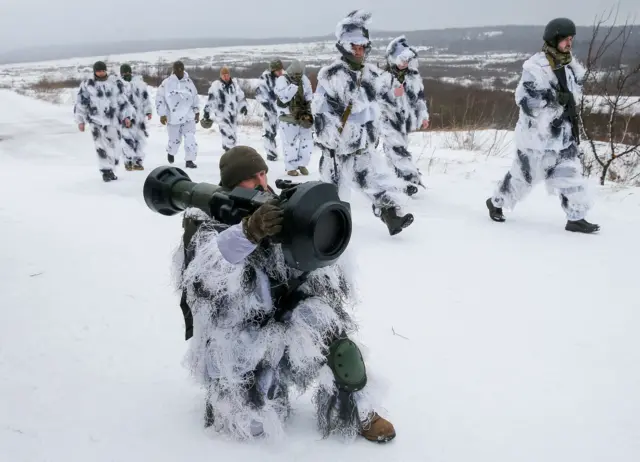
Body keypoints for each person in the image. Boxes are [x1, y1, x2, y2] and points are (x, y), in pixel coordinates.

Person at [173, 145, 396, 443]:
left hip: (282, 318)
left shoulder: (275, 211)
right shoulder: (207, 225)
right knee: (252, 427)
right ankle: (226, 397)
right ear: (232, 184)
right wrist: (248, 233)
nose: (262, 182)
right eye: (251, 178)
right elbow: (205, 282)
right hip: (235, 337)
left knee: (336, 340)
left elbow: (317, 274)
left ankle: (361, 411)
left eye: (263, 173)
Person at [486, 18, 600, 233]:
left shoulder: (568, 66)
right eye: (565, 39)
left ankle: (576, 217)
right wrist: (555, 97)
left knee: (570, 175)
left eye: (571, 39)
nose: (569, 43)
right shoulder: (534, 67)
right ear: (553, 38)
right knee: (523, 178)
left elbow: (572, 98)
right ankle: (496, 202)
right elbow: (527, 101)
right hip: (536, 138)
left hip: (563, 136)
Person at [312, 10, 414, 236]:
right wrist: (329, 139)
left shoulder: (371, 74)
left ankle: (392, 217)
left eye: (362, 47)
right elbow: (320, 112)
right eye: (354, 47)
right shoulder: (332, 76)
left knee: (371, 179)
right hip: (337, 149)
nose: (359, 51)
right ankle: (324, 229)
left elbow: (385, 97)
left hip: (362, 145)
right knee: (331, 192)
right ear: (344, 46)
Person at [377, 36, 430, 196]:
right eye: (401, 60)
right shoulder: (383, 76)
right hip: (387, 120)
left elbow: (419, 99)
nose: (404, 64)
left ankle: (396, 180)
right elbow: (375, 99)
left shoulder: (413, 77)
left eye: (407, 60)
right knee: (396, 150)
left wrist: (424, 116)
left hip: (404, 122)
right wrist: (393, 94)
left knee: (398, 150)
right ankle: (408, 179)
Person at [74, 61, 133, 182]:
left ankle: (111, 167)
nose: (101, 73)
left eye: (102, 70)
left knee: (115, 146)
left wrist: (126, 117)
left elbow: (123, 101)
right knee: (101, 147)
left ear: (106, 70)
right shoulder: (88, 85)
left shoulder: (115, 83)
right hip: (96, 121)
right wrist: (80, 120)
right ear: (95, 71)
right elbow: (81, 103)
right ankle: (106, 171)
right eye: (98, 71)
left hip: (112, 120)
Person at [155, 61, 200, 168]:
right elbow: (159, 99)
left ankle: (189, 160)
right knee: (175, 141)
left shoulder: (189, 82)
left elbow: (195, 97)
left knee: (190, 138)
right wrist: (162, 114)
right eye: (177, 69)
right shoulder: (167, 83)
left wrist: (197, 111)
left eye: (181, 69)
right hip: (173, 117)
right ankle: (171, 152)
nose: (179, 71)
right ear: (174, 70)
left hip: (188, 116)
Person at [274, 59, 314, 176]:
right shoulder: (282, 80)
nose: (297, 76)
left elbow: (308, 95)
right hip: (288, 117)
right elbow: (284, 97)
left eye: (299, 74)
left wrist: (308, 110)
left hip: (302, 115)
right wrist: (294, 86)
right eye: (296, 74)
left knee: (307, 141)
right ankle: (291, 167)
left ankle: (302, 164)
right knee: (290, 143)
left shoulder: (303, 79)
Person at [202, 66, 248, 153]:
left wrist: (243, 107)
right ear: (221, 76)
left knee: (233, 135)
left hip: (233, 115)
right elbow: (211, 101)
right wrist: (207, 112)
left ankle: (228, 150)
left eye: (227, 75)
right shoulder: (216, 86)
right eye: (224, 75)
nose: (226, 77)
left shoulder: (234, 85)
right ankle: (230, 153)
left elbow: (241, 97)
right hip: (222, 115)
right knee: (228, 135)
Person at [118, 63, 153, 171]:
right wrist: (124, 116)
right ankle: (128, 161)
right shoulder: (118, 85)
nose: (126, 74)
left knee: (139, 140)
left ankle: (138, 162)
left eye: (128, 72)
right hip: (126, 118)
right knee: (127, 139)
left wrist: (148, 111)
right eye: (124, 73)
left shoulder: (139, 84)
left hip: (139, 117)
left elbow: (145, 98)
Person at [255, 60, 284, 161]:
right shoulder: (265, 79)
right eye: (277, 70)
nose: (280, 71)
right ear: (272, 70)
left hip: (283, 110)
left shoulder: (283, 78)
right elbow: (259, 94)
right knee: (270, 132)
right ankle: (271, 154)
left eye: (281, 69)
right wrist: (268, 106)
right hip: (270, 111)